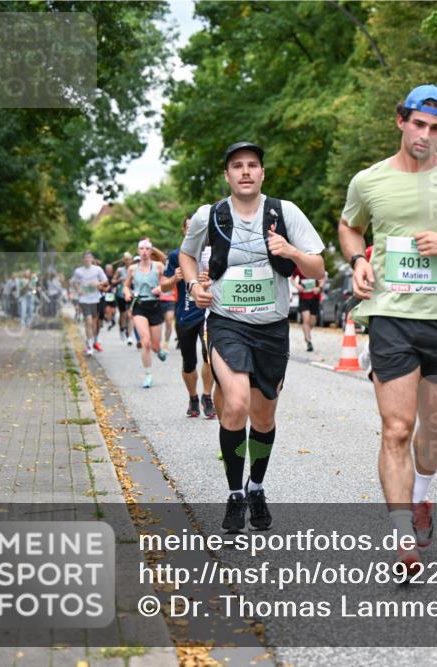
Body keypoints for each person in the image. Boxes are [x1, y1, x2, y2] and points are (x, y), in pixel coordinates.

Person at [338, 85, 437, 573]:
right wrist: (356, 260)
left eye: (436, 128)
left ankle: (422, 494)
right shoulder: (369, 180)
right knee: (397, 427)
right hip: (390, 317)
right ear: (401, 121)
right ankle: (402, 536)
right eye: (418, 124)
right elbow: (350, 226)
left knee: (431, 430)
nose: (425, 135)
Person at [181, 141, 324, 533]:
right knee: (236, 403)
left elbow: (318, 269)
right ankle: (234, 493)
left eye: (253, 165)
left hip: (272, 328)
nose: (245, 171)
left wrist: (291, 250)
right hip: (227, 323)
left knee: (263, 418)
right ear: (227, 175)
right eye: (237, 166)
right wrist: (194, 285)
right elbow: (186, 255)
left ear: (262, 173)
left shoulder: (285, 212)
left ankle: (256, 486)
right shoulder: (208, 215)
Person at [162, 216, 217, 419]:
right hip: (185, 314)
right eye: (190, 227)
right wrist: (175, 278)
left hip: (207, 312)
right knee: (188, 362)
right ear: (184, 231)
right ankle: (193, 397)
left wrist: (210, 278)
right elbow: (164, 286)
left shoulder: (213, 252)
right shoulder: (177, 255)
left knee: (209, 357)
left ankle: (206, 397)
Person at [124, 238, 168, 387]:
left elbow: (166, 284)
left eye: (147, 249)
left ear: (151, 251)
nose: (144, 251)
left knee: (155, 346)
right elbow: (125, 286)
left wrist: (160, 289)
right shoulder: (132, 269)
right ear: (138, 251)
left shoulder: (159, 266)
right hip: (139, 306)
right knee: (146, 342)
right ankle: (148, 375)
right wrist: (126, 293)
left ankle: (159, 350)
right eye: (141, 249)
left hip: (155, 306)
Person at [70, 251, 109, 355]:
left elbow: (105, 281)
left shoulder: (98, 270)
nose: (87, 259)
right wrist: (78, 290)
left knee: (94, 323)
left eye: (89, 257)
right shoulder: (78, 271)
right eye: (85, 258)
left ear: (92, 259)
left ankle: (92, 340)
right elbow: (74, 282)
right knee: (88, 321)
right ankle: (90, 346)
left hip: (96, 299)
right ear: (83, 259)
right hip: (84, 299)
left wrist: (97, 283)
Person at [292, 266, 324, 351]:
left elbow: (323, 276)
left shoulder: (314, 263)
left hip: (314, 297)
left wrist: (319, 287)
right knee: (306, 319)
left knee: (313, 320)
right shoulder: (298, 267)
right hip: (303, 298)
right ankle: (308, 341)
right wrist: (297, 285)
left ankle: (307, 332)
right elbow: (292, 279)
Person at [114, 253, 135, 345]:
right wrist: (120, 280)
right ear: (123, 260)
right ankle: (122, 329)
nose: (128, 261)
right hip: (121, 295)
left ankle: (130, 336)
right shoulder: (120, 270)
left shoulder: (135, 269)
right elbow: (113, 281)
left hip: (131, 294)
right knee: (123, 314)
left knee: (130, 314)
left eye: (129, 259)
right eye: (126, 259)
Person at [101, 263, 118, 333]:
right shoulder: (103, 276)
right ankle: (107, 319)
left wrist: (115, 289)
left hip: (112, 296)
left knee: (114, 311)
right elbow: (101, 285)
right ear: (105, 269)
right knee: (107, 311)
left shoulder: (114, 276)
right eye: (107, 269)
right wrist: (105, 289)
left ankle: (112, 320)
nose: (109, 270)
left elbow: (117, 284)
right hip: (105, 295)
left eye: (110, 268)